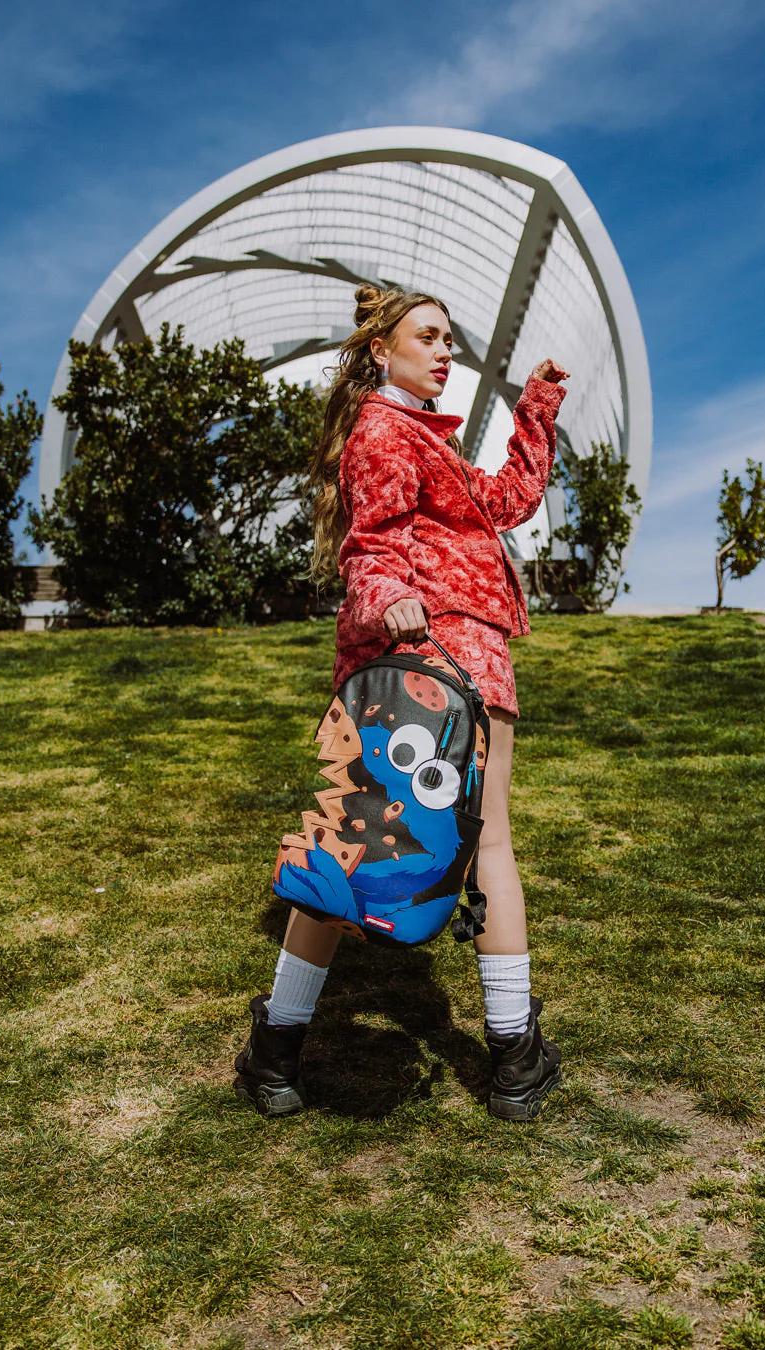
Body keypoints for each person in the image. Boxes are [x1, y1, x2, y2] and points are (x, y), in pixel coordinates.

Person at [234, 284, 570, 1120]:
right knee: (451, 845)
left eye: (449, 339)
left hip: (463, 659)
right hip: (425, 663)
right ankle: (513, 1058)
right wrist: (388, 595)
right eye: (428, 337)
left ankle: (276, 1052)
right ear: (381, 349)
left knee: (346, 844)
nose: (445, 351)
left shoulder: (423, 437)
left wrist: (535, 407)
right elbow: (372, 546)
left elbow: (504, 503)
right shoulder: (383, 432)